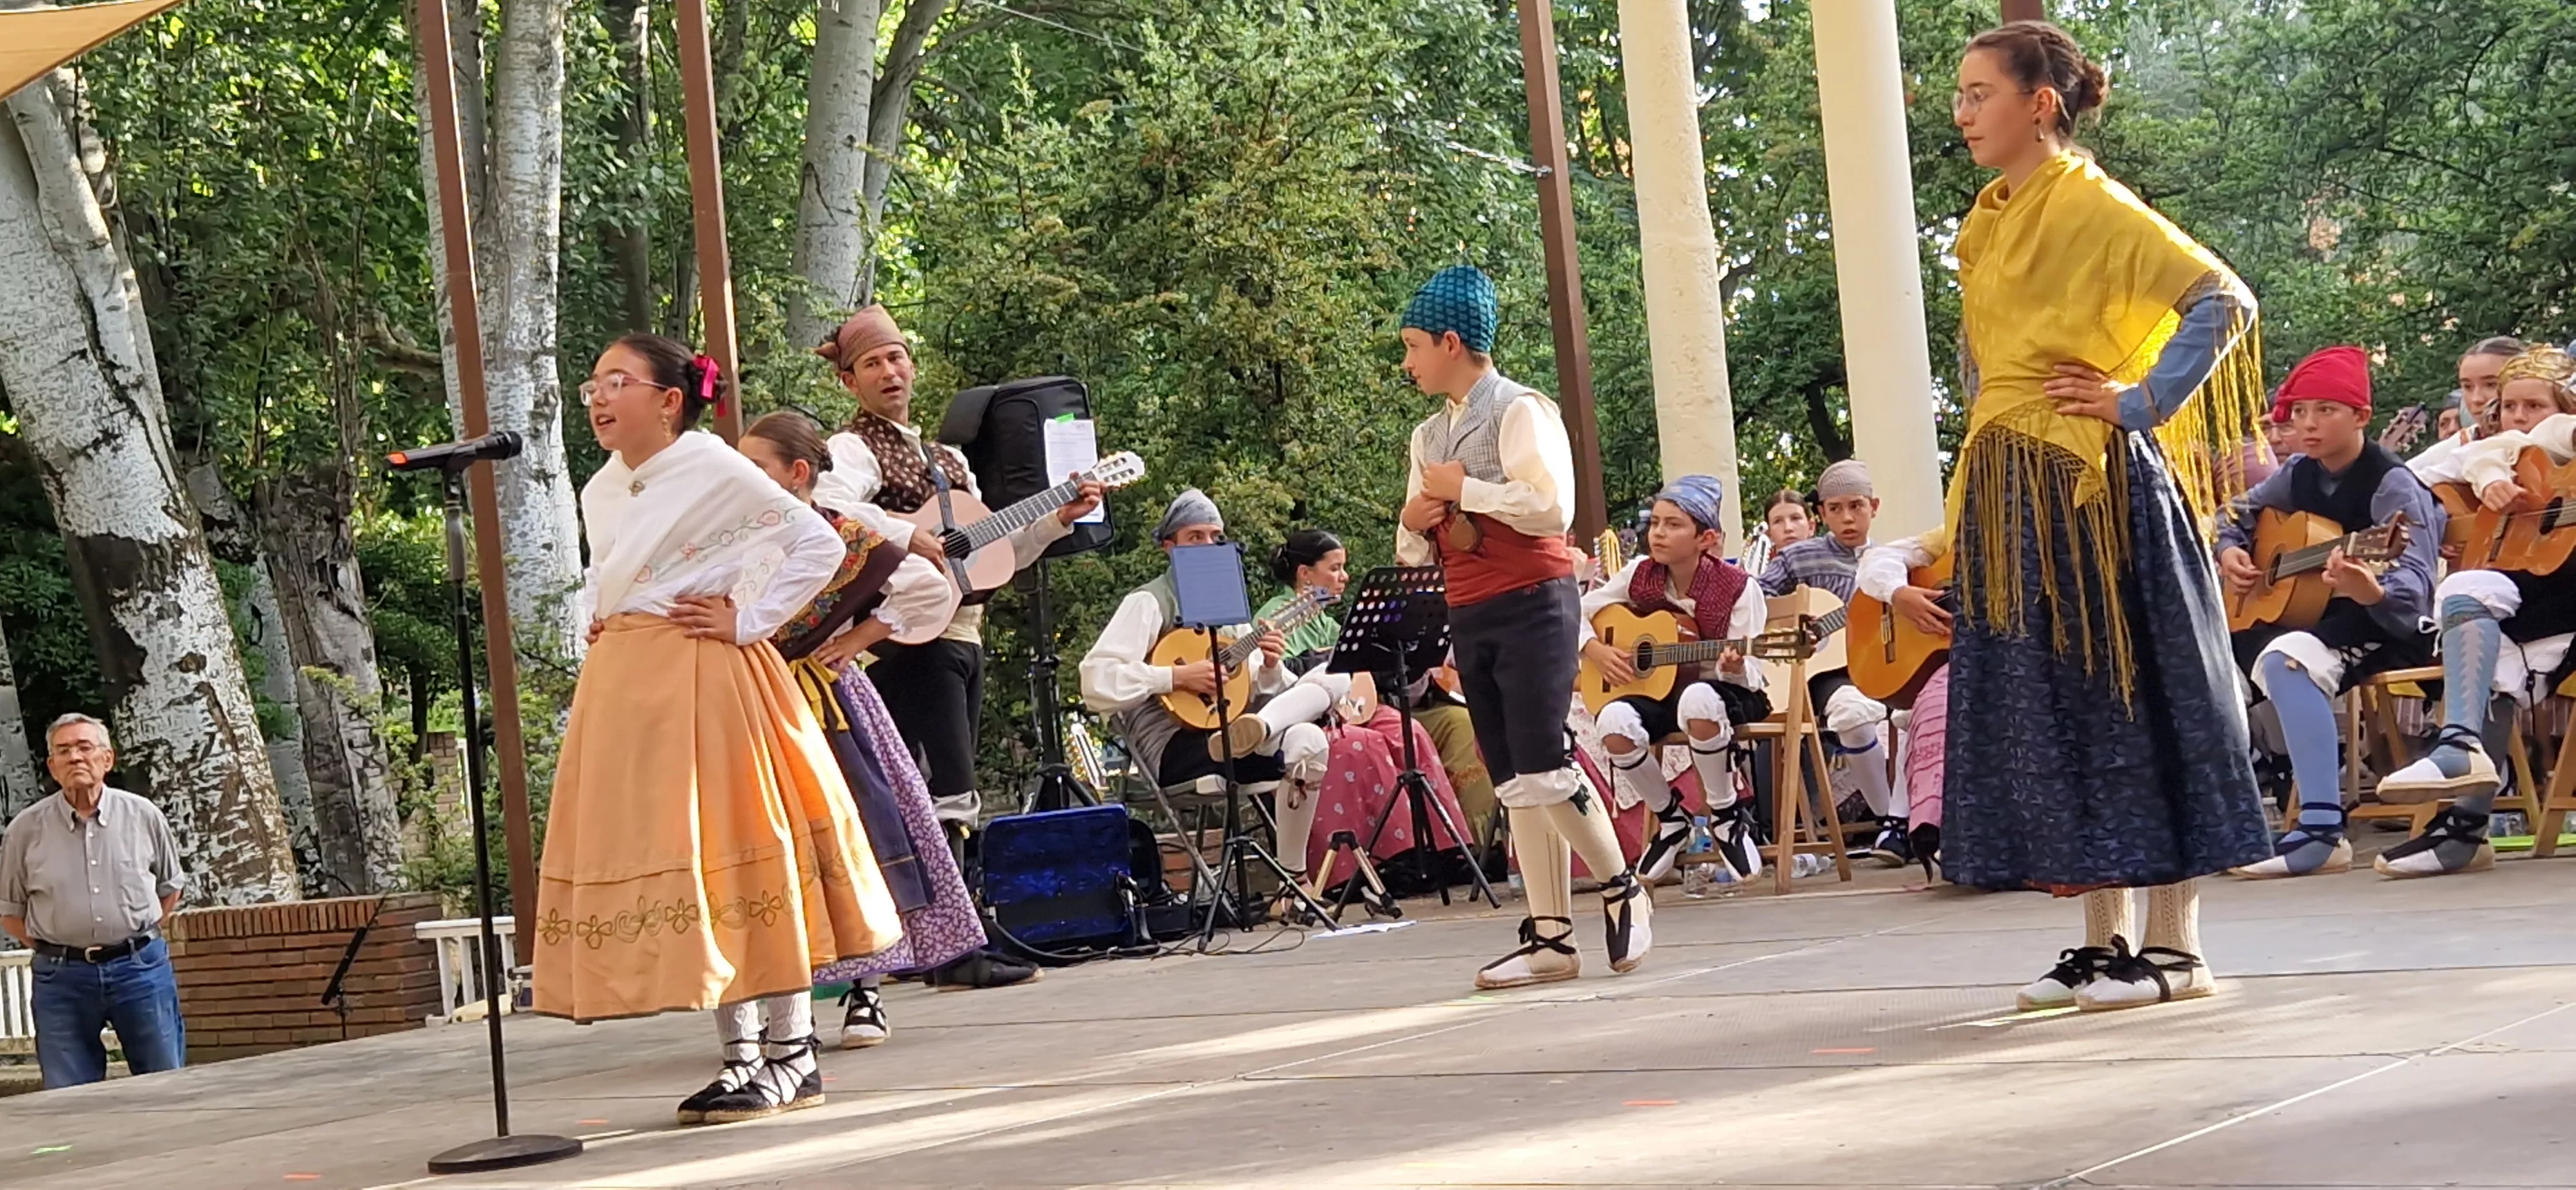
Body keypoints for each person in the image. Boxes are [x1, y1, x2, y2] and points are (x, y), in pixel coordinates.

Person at [1877, 22, 2272, 1014]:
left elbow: (2222, 298)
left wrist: (2139, 401)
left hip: (2093, 483)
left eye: (1978, 93)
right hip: (2014, 482)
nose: (1960, 112)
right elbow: (1983, 384)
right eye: (1959, 94)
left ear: (2039, 103)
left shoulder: (2091, 204)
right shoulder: (1992, 220)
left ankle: (2177, 947)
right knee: (2058, 709)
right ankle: (2105, 944)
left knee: (2127, 691)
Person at [538, 334, 905, 1125]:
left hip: (709, 672)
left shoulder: (711, 465)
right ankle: (740, 1055)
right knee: (693, 863)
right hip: (633, 683)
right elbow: (622, 573)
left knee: (742, 855)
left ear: (669, 400)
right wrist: (607, 621)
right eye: (592, 386)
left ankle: (791, 1050)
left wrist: (751, 619)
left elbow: (815, 542)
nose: (599, 400)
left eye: (617, 383)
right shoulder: (602, 487)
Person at [1394, 264, 1649, 989]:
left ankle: (1622, 887)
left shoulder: (1519, 409)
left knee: (1543, 759)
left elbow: (1550, 510)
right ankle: (1550, 938)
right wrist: (1412, 523)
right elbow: (1416, 546)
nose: (1407, 363)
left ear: (1451, 342)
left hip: (1534, 600)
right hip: (1469, 607)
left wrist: (1463, 488)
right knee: (1511, 778)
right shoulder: (1426, 434)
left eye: (1413, 346)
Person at [738, 411, 1010, 1051]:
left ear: (797, 474)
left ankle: (867, 991)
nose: (744, 482)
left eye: (757, 470)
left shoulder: (842, 531)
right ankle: (785, 1000)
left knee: (862, 832)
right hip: (762, 702)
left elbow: (923, 585)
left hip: (830, 697)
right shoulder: (739, 540)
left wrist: (856, 638)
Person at [808, 307, 1103, 840]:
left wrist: (1058, 520)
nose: (889, 372)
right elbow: (828, 508)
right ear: (849, 382)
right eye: (872, 364)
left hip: (964, 635)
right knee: (942, 792)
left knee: (952, 789)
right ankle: (947, 914)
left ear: (912, 366)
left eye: (896, 358)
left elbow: (995, 551)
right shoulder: (851, 448)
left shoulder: (951, 460)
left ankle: (955, 908)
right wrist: (903, 532)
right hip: (905, 639)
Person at [2215, 347, 2444, 879]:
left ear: (2362, 417)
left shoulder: (2393, 483)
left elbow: (2413, 590)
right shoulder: (2296, 473)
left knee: (2287, 661)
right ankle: (2228, 819)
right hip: (2315, 618)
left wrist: (2368, 589)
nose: (2308, 424)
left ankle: (2321, 831)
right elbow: (2232, 513)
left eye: (2326, 411)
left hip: (2384, 625)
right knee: (2205, 663)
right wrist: (2231, 548)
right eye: (2299, 412)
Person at [1079, 491, 1341, 904]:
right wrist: (1174, 676)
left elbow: (1255, 686)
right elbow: (1095, 680)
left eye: (1214, 537)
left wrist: (1270, 666)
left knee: (1319, 719)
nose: (1206, 546)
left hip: (1236, 735)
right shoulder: (1149, 602)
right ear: (1170, 546)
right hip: (1175, 749)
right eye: (1194, 536)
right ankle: (1261, 734)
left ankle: (1293, 885)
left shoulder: (1230, 611)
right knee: (1290, 731)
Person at [2377, 345, 2576, 877]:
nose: (2517, 416)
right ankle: (2464, 798)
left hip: (2567, 605)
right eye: (2510, 405)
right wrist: (2468, 496)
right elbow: (2422, 473)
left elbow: (2554, 434)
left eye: (2533, 404)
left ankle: (2462, 814)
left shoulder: (2560, 435)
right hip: (2531, 594)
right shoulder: (2514, 446)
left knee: (2479, 631)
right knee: (2471, 607)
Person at [1581, 476, 1772, 883]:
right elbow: (1578, 611)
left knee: (1699, 698)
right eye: (1656, 524)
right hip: (1664, 694)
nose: (1659, 534)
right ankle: (1671, 819)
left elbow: (1753, 671)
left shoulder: (1739, 588)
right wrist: (1594, 650)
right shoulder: (1638, 574)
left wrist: (1734, 666)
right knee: (1612, 721)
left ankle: (1725, 816)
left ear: (1706, 538)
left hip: (1729, 693)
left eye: (1674, 525)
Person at [0, 715, 187, 1090]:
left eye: (85, 748)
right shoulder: (25, 829)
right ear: (52, 767)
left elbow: (170, 887)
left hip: (141, 971)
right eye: (64, 751)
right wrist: (54, 949)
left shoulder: (144, 816)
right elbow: (9, 909)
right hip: (62, 980)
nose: (75, 758)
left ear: (108, 759)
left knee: (165, 1086)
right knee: (69, 1097)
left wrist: (137, 934)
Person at [1757, 460, 1906, 866]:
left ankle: (1909, 819)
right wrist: (1796, 626)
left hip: (1887, 668)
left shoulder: (1894, 562)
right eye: (1835, 509)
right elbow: (1754, 601)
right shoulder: (1799, 558)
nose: (1847, 518)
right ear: (1821, 513)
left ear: (1874, 507)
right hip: (1828, 674)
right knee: (1850, 711)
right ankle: (1891, 823)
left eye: (1856, 506)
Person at [1738, 487, 1814, 578]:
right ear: (1769, 533)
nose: (1788, 528)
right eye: (1778, 521)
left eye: (1795, 518)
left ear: (1811, 527)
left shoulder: (1831, 566)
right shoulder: (1756, 572)